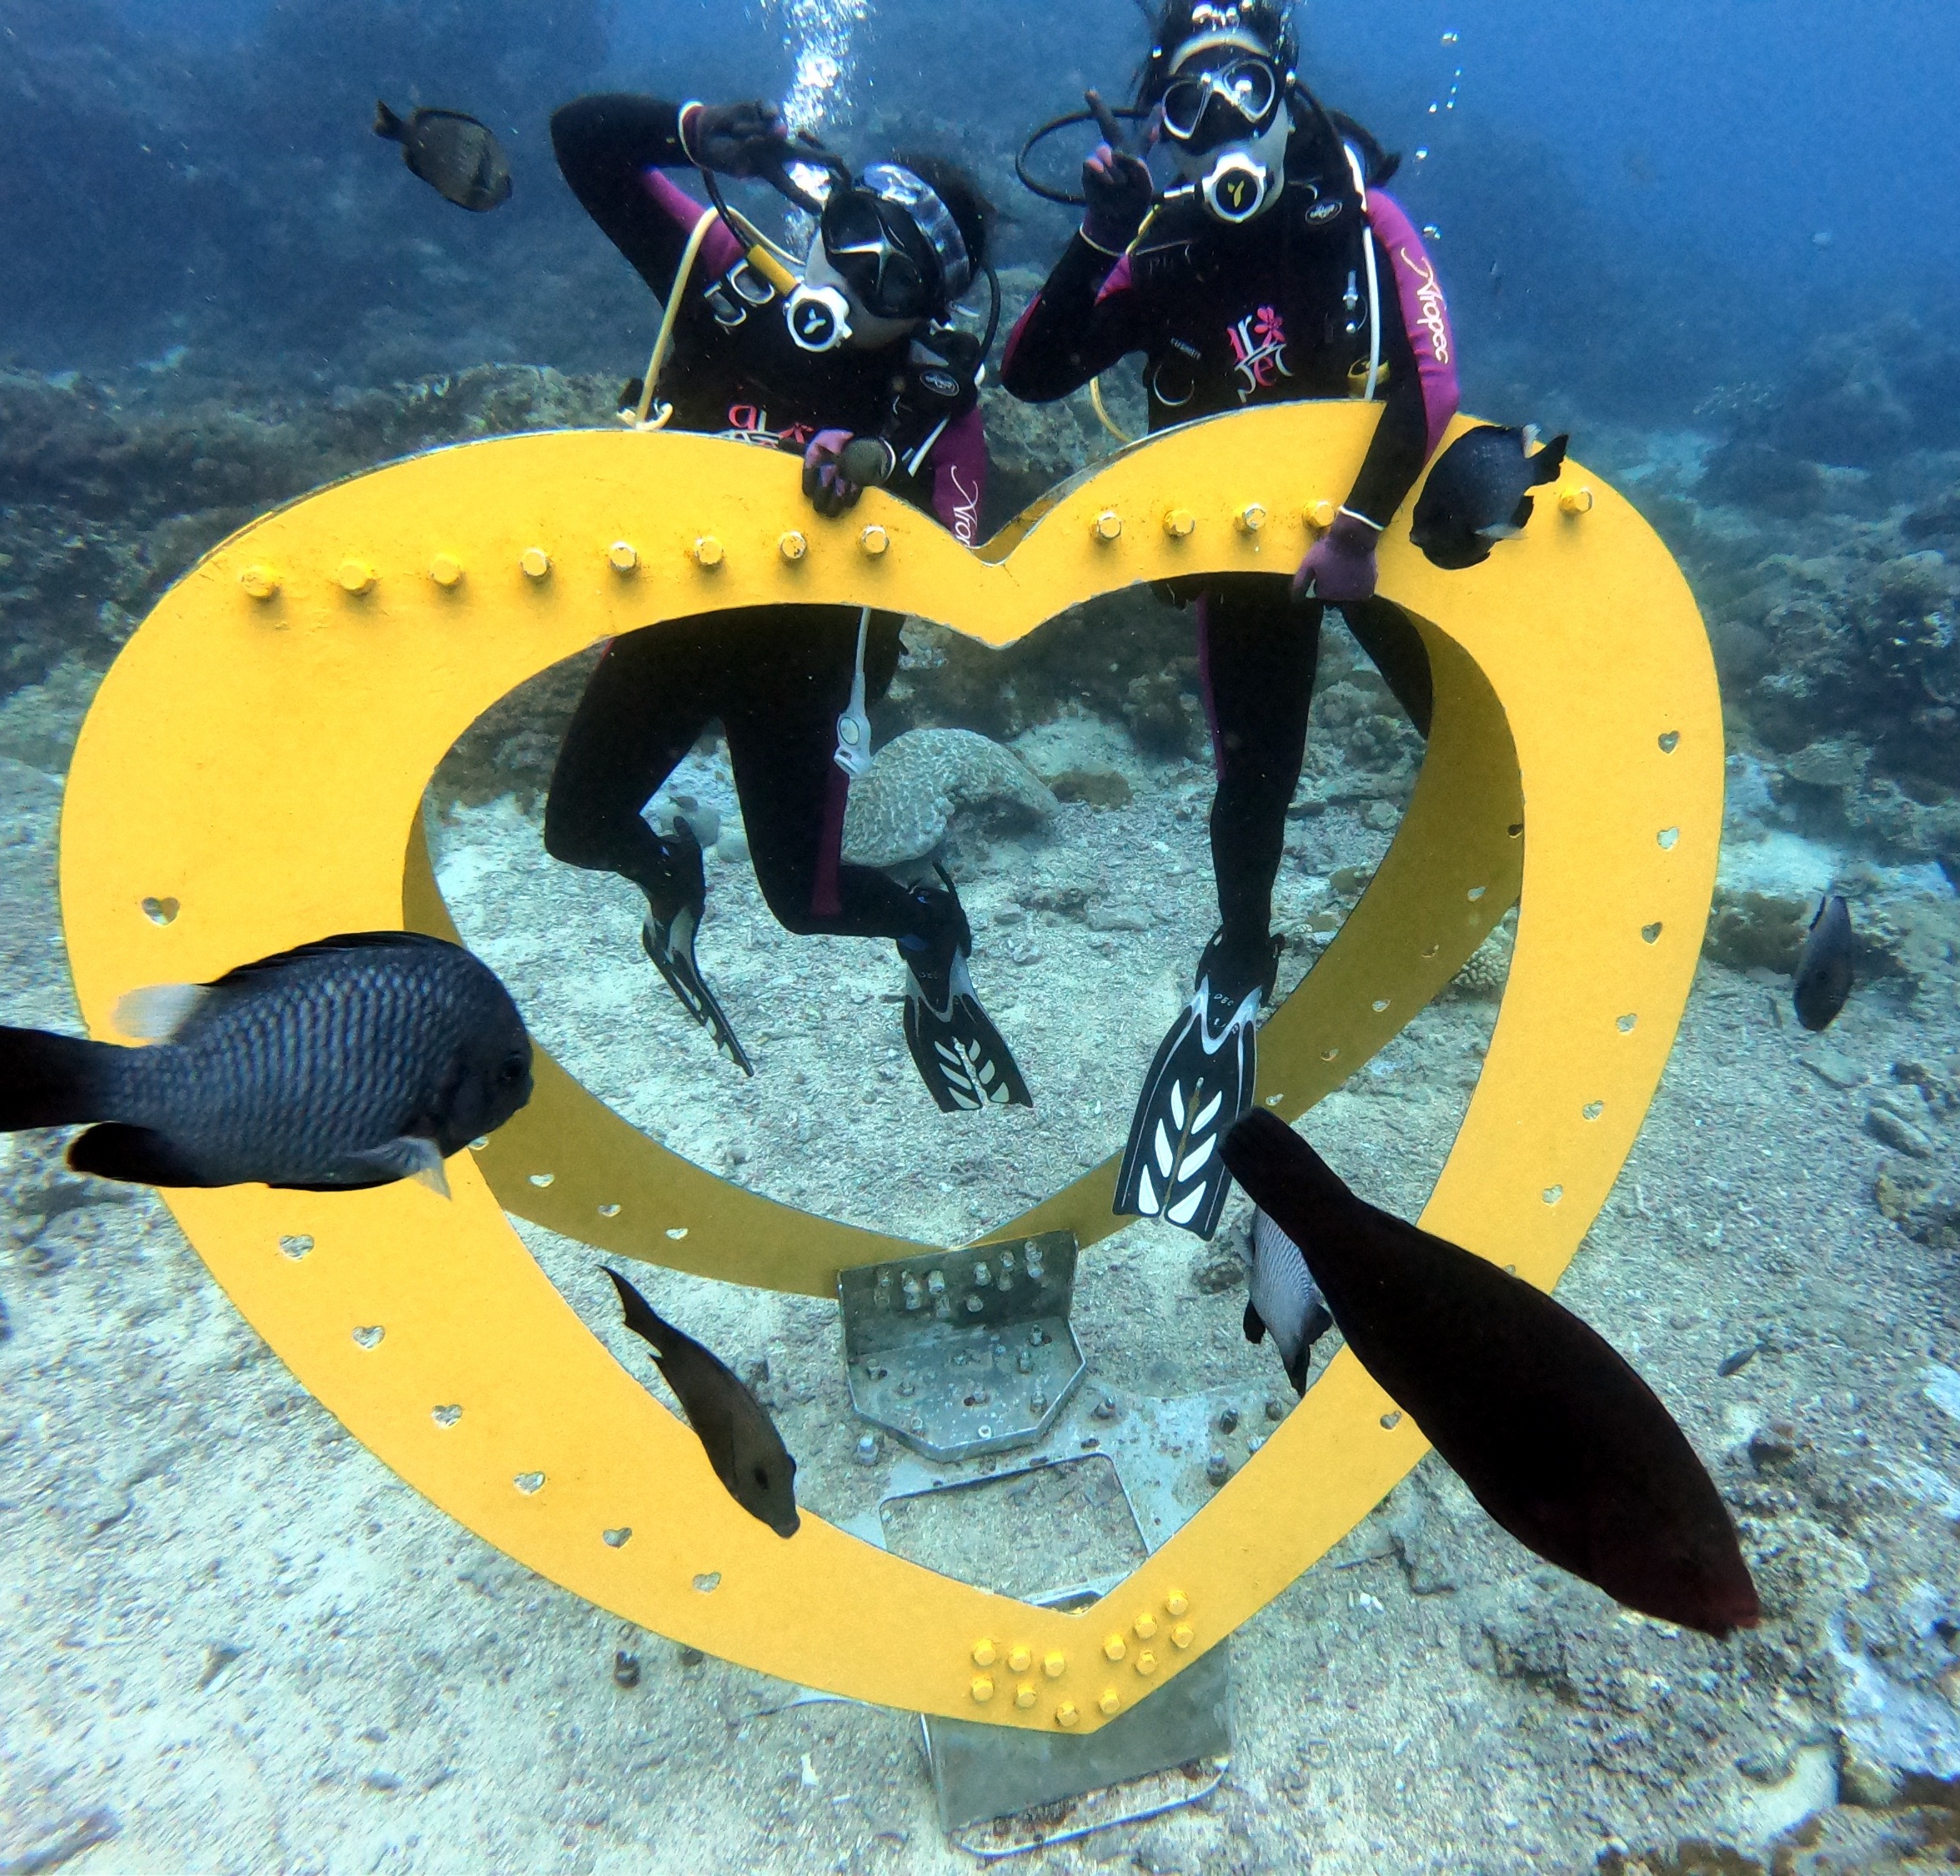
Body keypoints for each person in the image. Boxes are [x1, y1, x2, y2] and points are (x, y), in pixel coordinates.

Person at [1000, 0, 1459, 1234]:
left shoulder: (1348, 209)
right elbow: (1033, 374)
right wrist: (1098, 237)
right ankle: (1239, 962)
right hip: (1252, 560)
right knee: (1254, 777)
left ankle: (1517, 846)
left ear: (1279, 95)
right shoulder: (1171, 251)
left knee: (1459, 717)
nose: (1216, 124)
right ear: (1167, 126)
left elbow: (1432, 378)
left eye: (1239, 91)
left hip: (1383, 527)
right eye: (1187, 107)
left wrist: (1361, 528)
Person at [543, 92, 1028, 1113]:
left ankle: (930, 924)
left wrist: (881, 476)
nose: (852, 276)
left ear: (929, 310)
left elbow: (959, 558)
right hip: (674, 629)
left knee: (805, 907)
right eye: (847, 236)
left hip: (800, 677)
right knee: (579, 830)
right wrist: (690, 131)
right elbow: (581, 144)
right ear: (822, 214)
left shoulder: (924, 403)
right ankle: (673, 871)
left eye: (892, 275)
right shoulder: (726, 285)